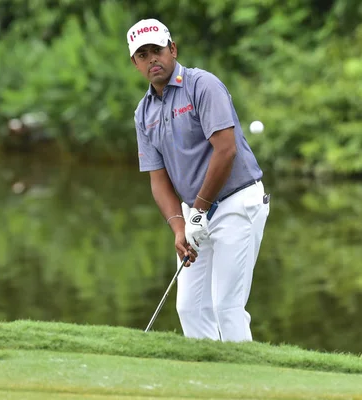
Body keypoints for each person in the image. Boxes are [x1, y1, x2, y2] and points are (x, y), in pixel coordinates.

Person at [128, 18, 270, 342]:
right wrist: (180, 227)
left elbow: (226, 150)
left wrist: (198, 210)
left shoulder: (202, 86)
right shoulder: (143, 112)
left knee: (226, 306)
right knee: (190, 309)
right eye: (142, 55)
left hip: (237, 202)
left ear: (172, 49)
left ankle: (247, 386)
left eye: (157, 50)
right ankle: (211, 382)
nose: (152, 59)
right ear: (135, 63)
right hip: (196, 215)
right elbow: (158, 178)